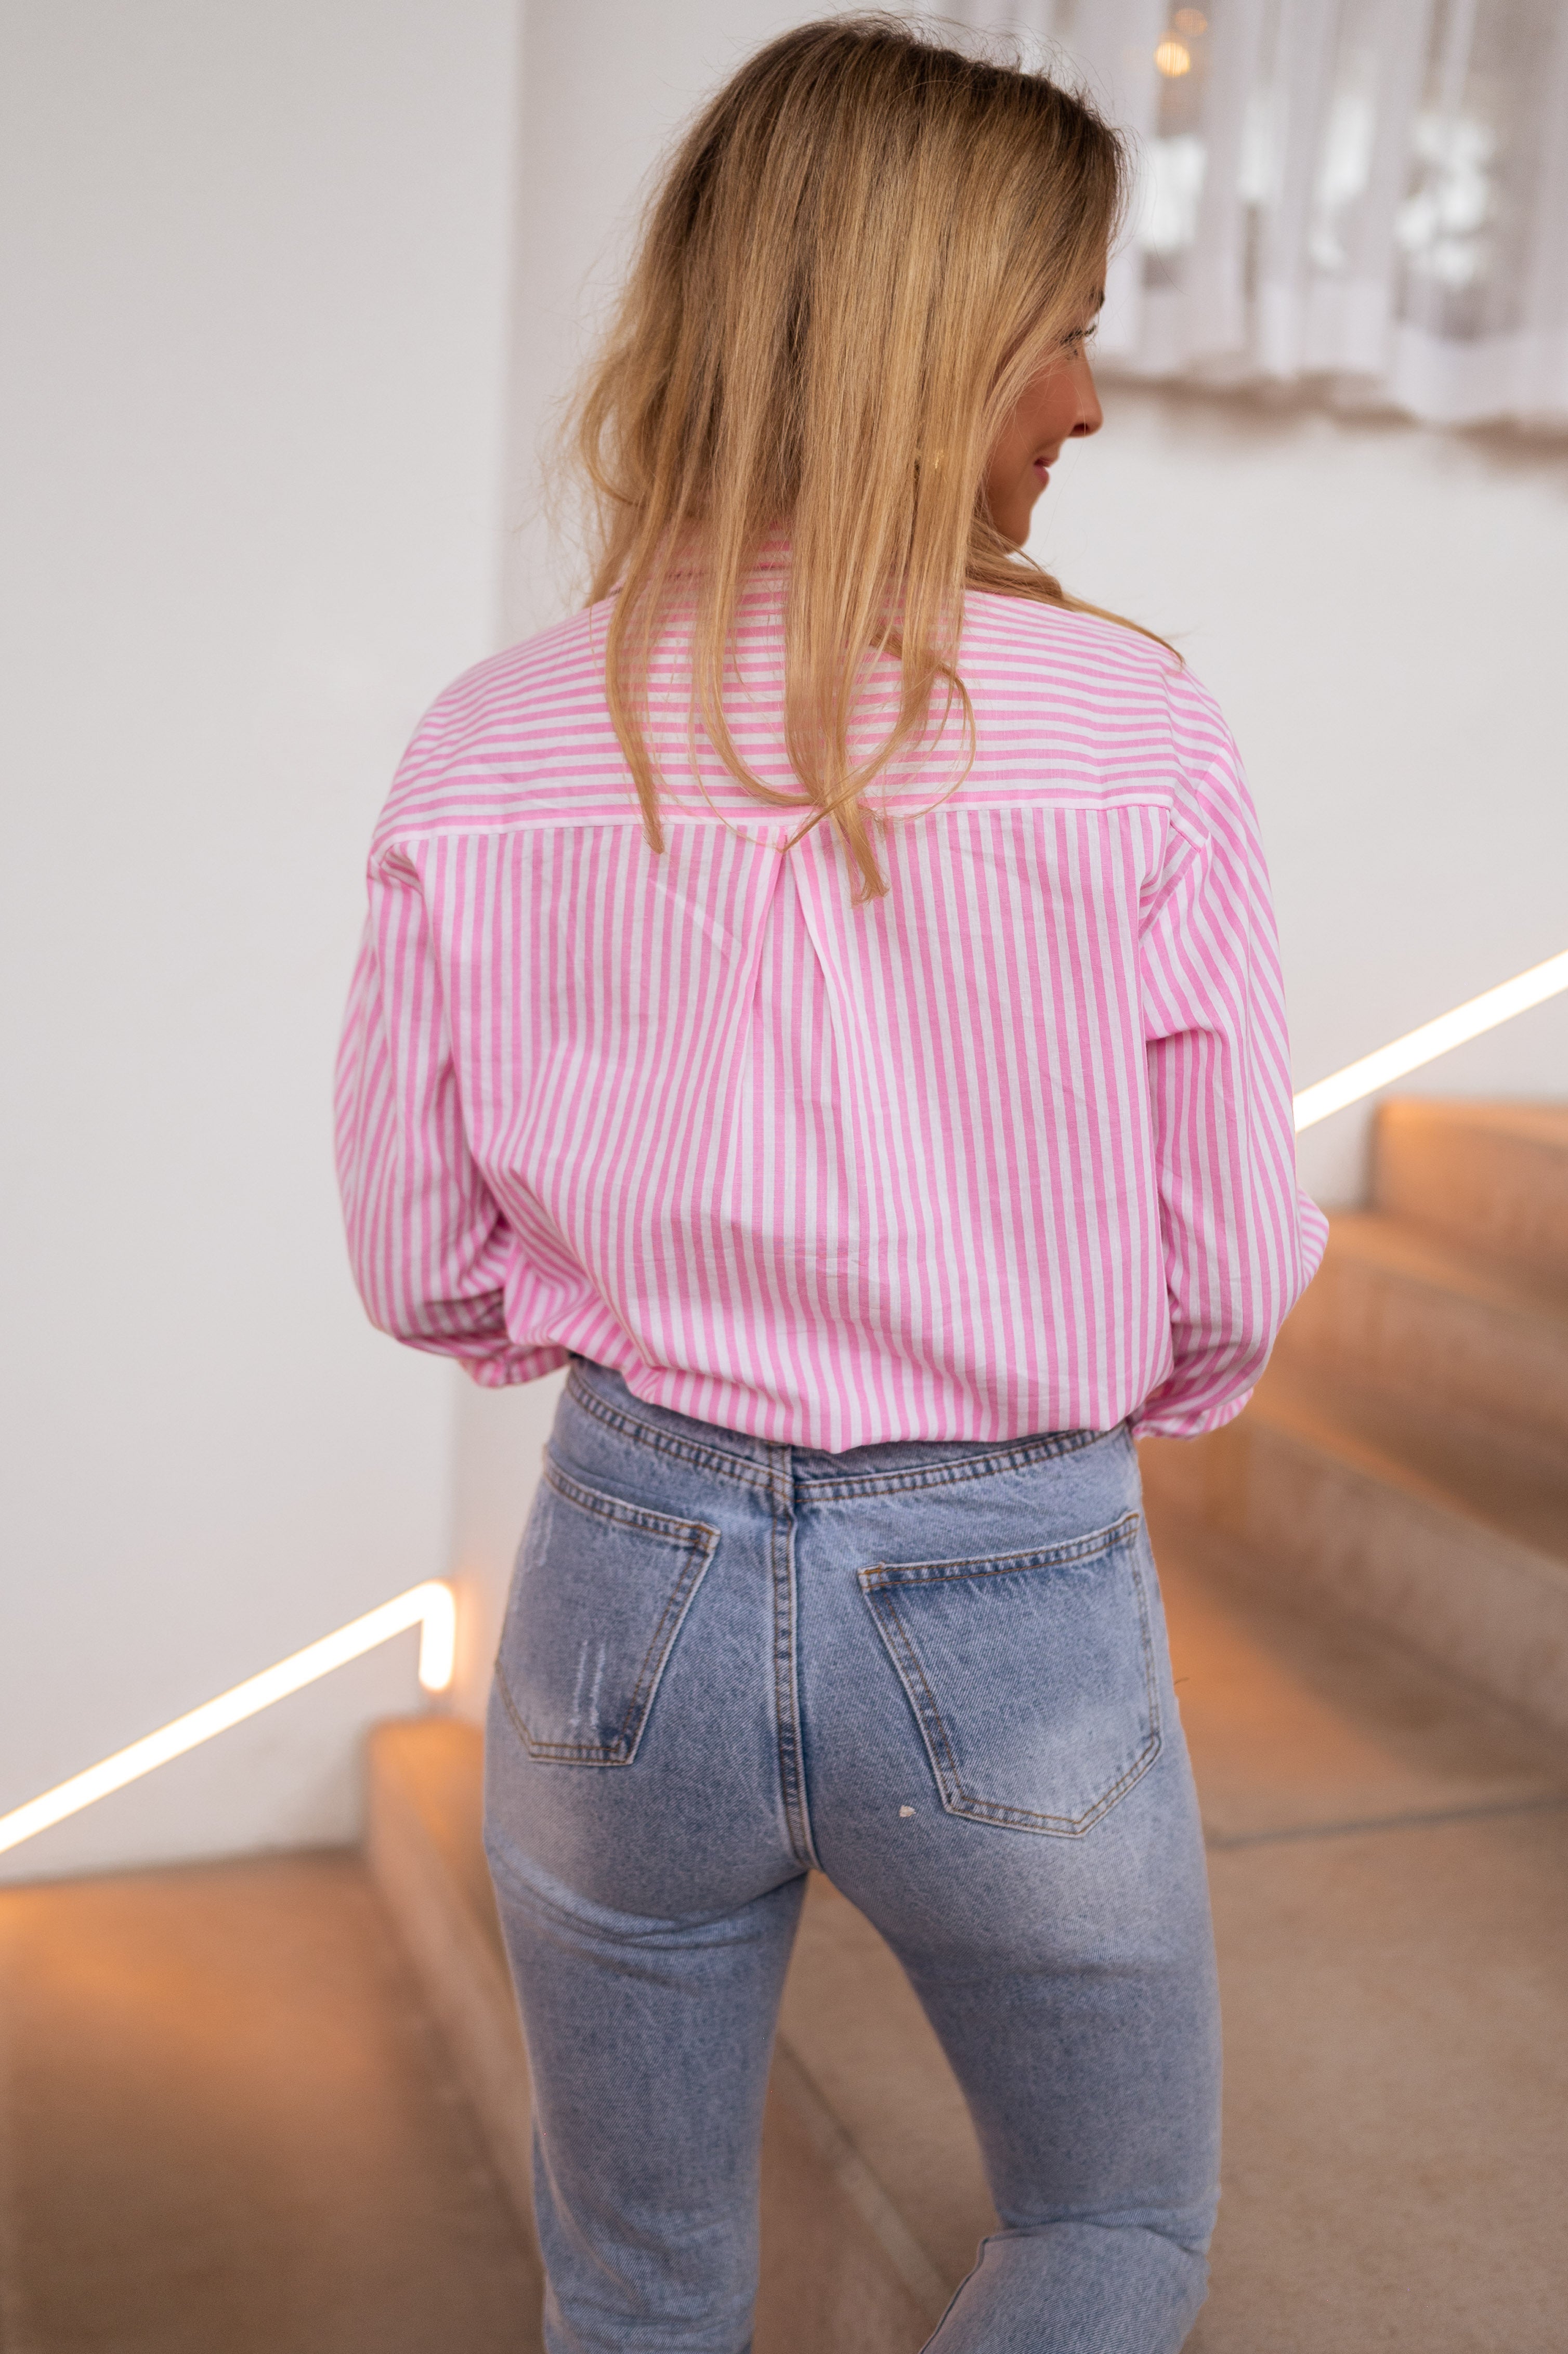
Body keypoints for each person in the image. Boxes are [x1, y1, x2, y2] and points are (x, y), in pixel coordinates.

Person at [335, 17, 1326, 2350]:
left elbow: (413, 1253)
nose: (1084, 402)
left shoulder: (485, 740)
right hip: (1009, 1590)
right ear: (924, 338)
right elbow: (1224, 1268)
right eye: (1064, 329)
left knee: (638, 2281)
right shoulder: (1137, 732)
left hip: (622, 1581)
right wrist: (1070, 1415)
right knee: (1106, 2231)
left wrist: (617, 1335)